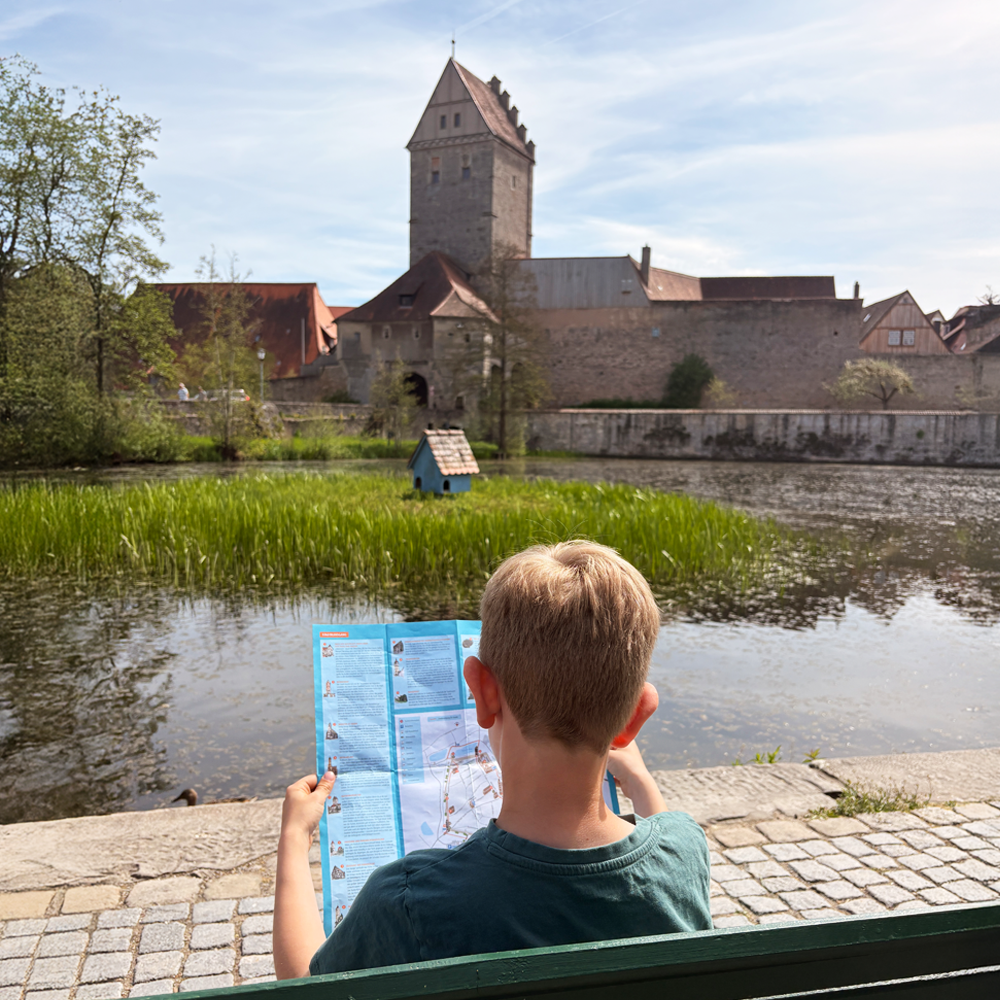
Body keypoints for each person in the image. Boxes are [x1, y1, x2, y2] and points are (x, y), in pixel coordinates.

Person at [274, 541, 712, 980]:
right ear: (637, 715)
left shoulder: (407, 900)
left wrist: (295, 838)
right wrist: (638, 780)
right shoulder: (686, 852)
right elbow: (668, 833)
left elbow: (303, 991)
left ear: (482, 693)